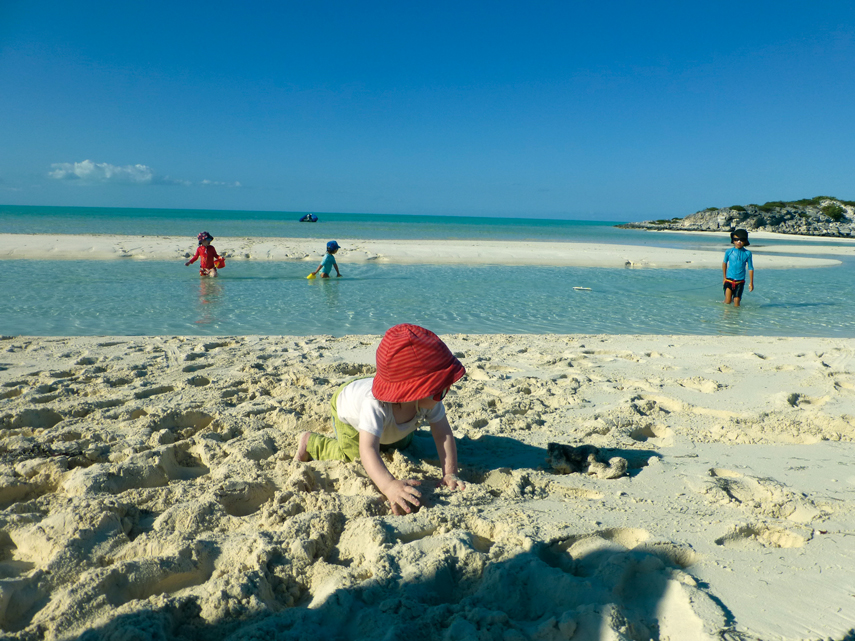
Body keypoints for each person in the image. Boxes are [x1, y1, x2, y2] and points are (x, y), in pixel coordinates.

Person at [295, 323, 466, 515]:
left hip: (391, 406)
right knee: (355, 455)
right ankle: (312, 443)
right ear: (415, 392)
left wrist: (449, 473)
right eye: (440, 390)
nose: (444, 393)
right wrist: (389, 485)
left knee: (401, 442)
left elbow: (443, 433)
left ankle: (389, 434)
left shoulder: (431, 400)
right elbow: (367, 448)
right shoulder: (375, 406)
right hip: (350, 411)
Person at [722, 229, 754, 306]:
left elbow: (750, 268)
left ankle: (736, 317)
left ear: (745, 241)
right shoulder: (729, 251)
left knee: (737, 302)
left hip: (740, 282)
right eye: (736, 240)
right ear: (733, 240)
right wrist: (724, 277)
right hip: (729, 280)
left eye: (741, 240)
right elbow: (724, 263)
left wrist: (751, 282)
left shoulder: (747, 253)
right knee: (728, 301)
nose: (739, 242)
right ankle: (725, 316)